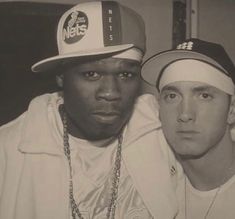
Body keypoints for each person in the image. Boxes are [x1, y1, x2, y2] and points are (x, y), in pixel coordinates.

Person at [0, 1, 178, 219]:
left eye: (125, 75)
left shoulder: (163, 131)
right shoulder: (9, 150)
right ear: (61, 76)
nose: (111, 92)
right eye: (92, 74)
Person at [141, 38, 235, 219]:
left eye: (204, 96)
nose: (185, 114)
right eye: (172, 96)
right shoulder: (150, 186)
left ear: (231, 110)